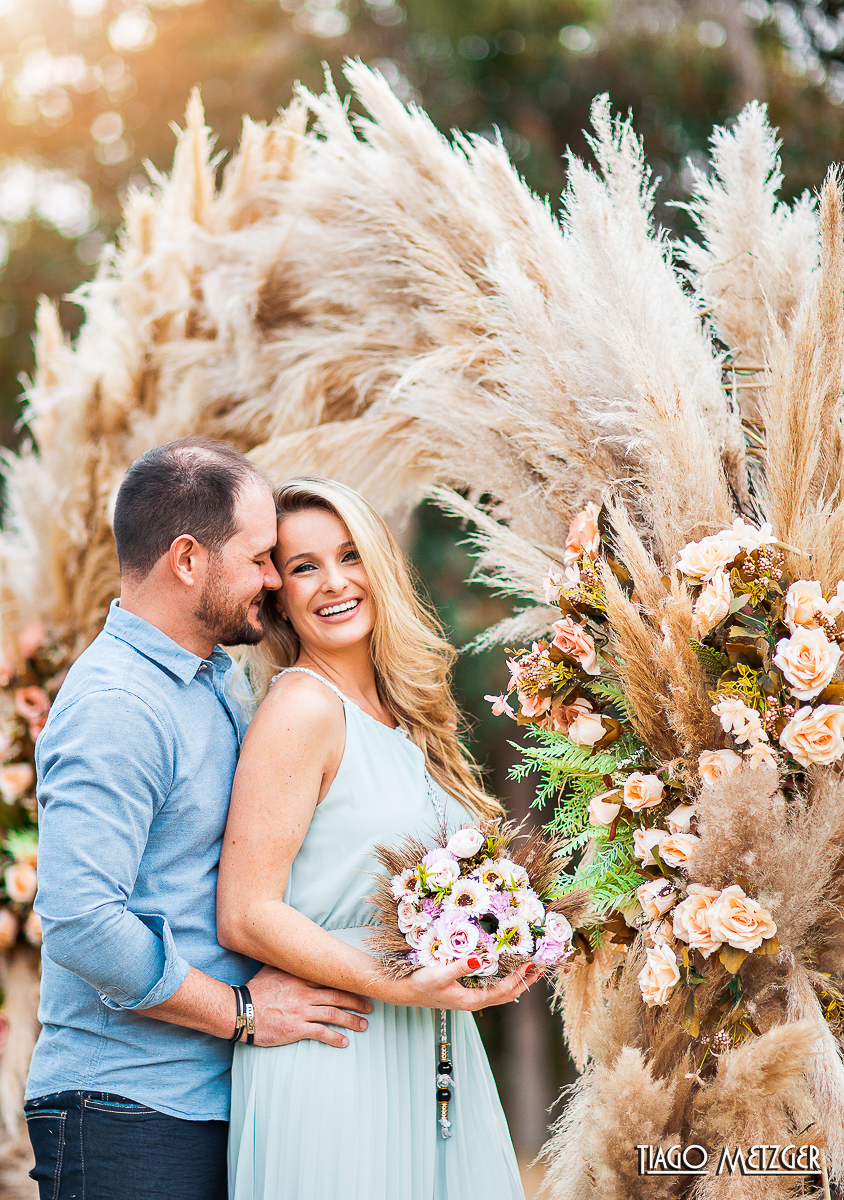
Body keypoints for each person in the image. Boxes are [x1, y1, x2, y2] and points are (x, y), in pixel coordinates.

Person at [24, 439, 373, 1200]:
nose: (275, 579)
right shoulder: (118, 707)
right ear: (188, 559)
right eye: (258, 559)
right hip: (126, 1109)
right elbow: (82, 918)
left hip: (207, 1103)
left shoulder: (214, 675)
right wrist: (242, 1012)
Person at [219, 477, 536, 1200]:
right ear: (278, 595)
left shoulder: (405, 718)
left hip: (428, 1044)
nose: (333, 583)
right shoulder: (303, 706)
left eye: (351, 555)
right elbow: (244, 911)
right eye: (304, 567)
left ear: (380, 567)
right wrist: (401, 984)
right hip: (338, 1054)